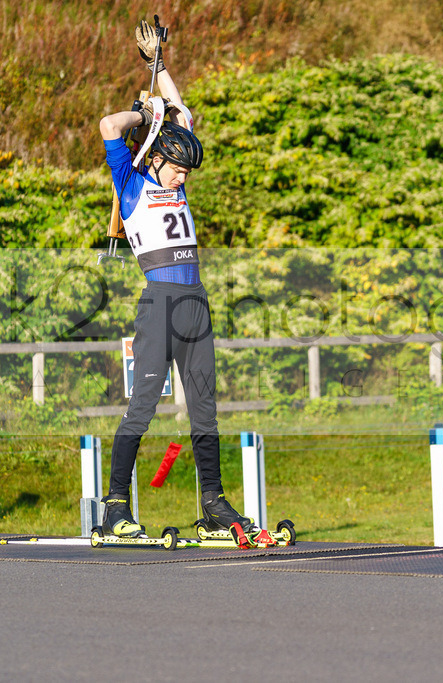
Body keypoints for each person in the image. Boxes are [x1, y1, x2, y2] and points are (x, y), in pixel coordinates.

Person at [97, 17, 250, 538]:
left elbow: (181, 112)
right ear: (157, 158)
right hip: (159, 301)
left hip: (195, 300)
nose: (184, 176)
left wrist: (157, 66)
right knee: (143, 404)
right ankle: (115, 506)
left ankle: (214, 504)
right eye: (178, 168)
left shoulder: (174, 163)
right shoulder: (132, 178)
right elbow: (108, 127)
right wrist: (143, 111)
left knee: (204, 404)